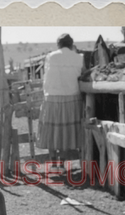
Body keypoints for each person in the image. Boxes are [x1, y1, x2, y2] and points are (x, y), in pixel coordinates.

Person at [37, 33, 84, 167]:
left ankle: (53, 163)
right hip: (71, 97)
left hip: (52, 97)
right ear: (71, 44)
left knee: (52, 129)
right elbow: (82, 74)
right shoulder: (79, 58)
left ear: (58, 44)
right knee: (65, 130)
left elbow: (46, 76)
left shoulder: (50, 56)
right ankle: (62, 163)